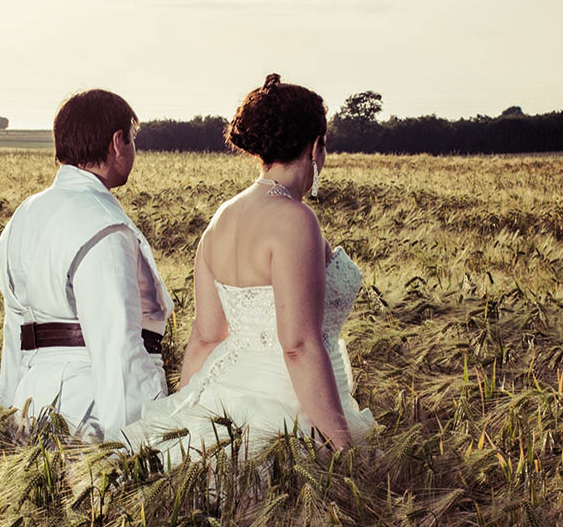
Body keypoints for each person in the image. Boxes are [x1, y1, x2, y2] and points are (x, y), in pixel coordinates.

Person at [121, 74, 375, 463]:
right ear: (314, 147)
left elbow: (205, 339)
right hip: (290, 408)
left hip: (228, 398)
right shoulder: (295, 219)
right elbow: (298, 346)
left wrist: (183, 421)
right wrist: (343, 447)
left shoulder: (220, 220)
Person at [0, 89, 174, 442]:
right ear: (118, 142)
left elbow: (15, 334)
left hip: (30, 402)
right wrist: (131, 445)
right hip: (91, 407)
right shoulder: (103, 224)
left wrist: (8, 421)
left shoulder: (21, 218)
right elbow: (117, 348)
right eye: (132, 138)